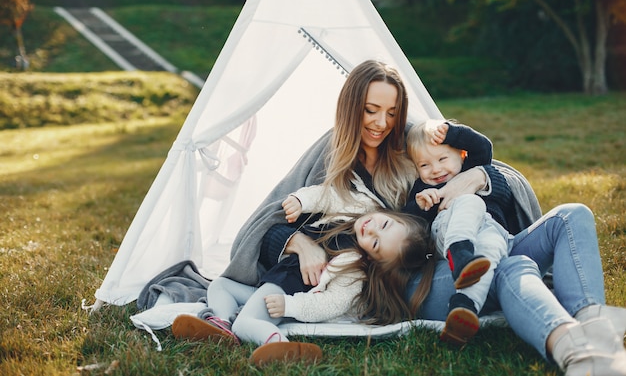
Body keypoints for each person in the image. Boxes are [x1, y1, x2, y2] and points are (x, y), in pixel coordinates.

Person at [217, 59, 626, 374]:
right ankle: (577, 348)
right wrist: (301, 242)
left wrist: (478, 179)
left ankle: (593, 330)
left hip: (461, 245)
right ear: (351, 108)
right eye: (371, 110)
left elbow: (496, 170)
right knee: (507, 265)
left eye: (391, 112)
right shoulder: (331, 163)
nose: (381, 123)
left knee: (565, 218)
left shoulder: (414, 144)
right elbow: (267, 226)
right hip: (416, 278)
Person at [172, 210, 435, 367]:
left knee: (247, 323)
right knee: (220, 285)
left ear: (374, 261)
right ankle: (222, 325)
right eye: (385, 224)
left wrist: (290, 306)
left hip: (285, 291)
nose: (373, 230)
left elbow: (330, 304)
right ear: (391, 214)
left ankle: (278, 344)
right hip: (273, 284)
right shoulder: (352, 217)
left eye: (376, 244)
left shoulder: (354, 270)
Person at [403, 118, 511, 346]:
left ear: (462, 154)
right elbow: (408, 218)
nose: (436, 169)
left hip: (489, 230)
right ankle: (459, 251)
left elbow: (483, 146)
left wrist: (453, 134)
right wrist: (421, 205)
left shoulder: (471, 168)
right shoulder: (424, 188)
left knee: (491, 247)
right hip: (447, 231)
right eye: (424, 165)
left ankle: (463, 307)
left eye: (442, 159)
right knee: (470, 203)